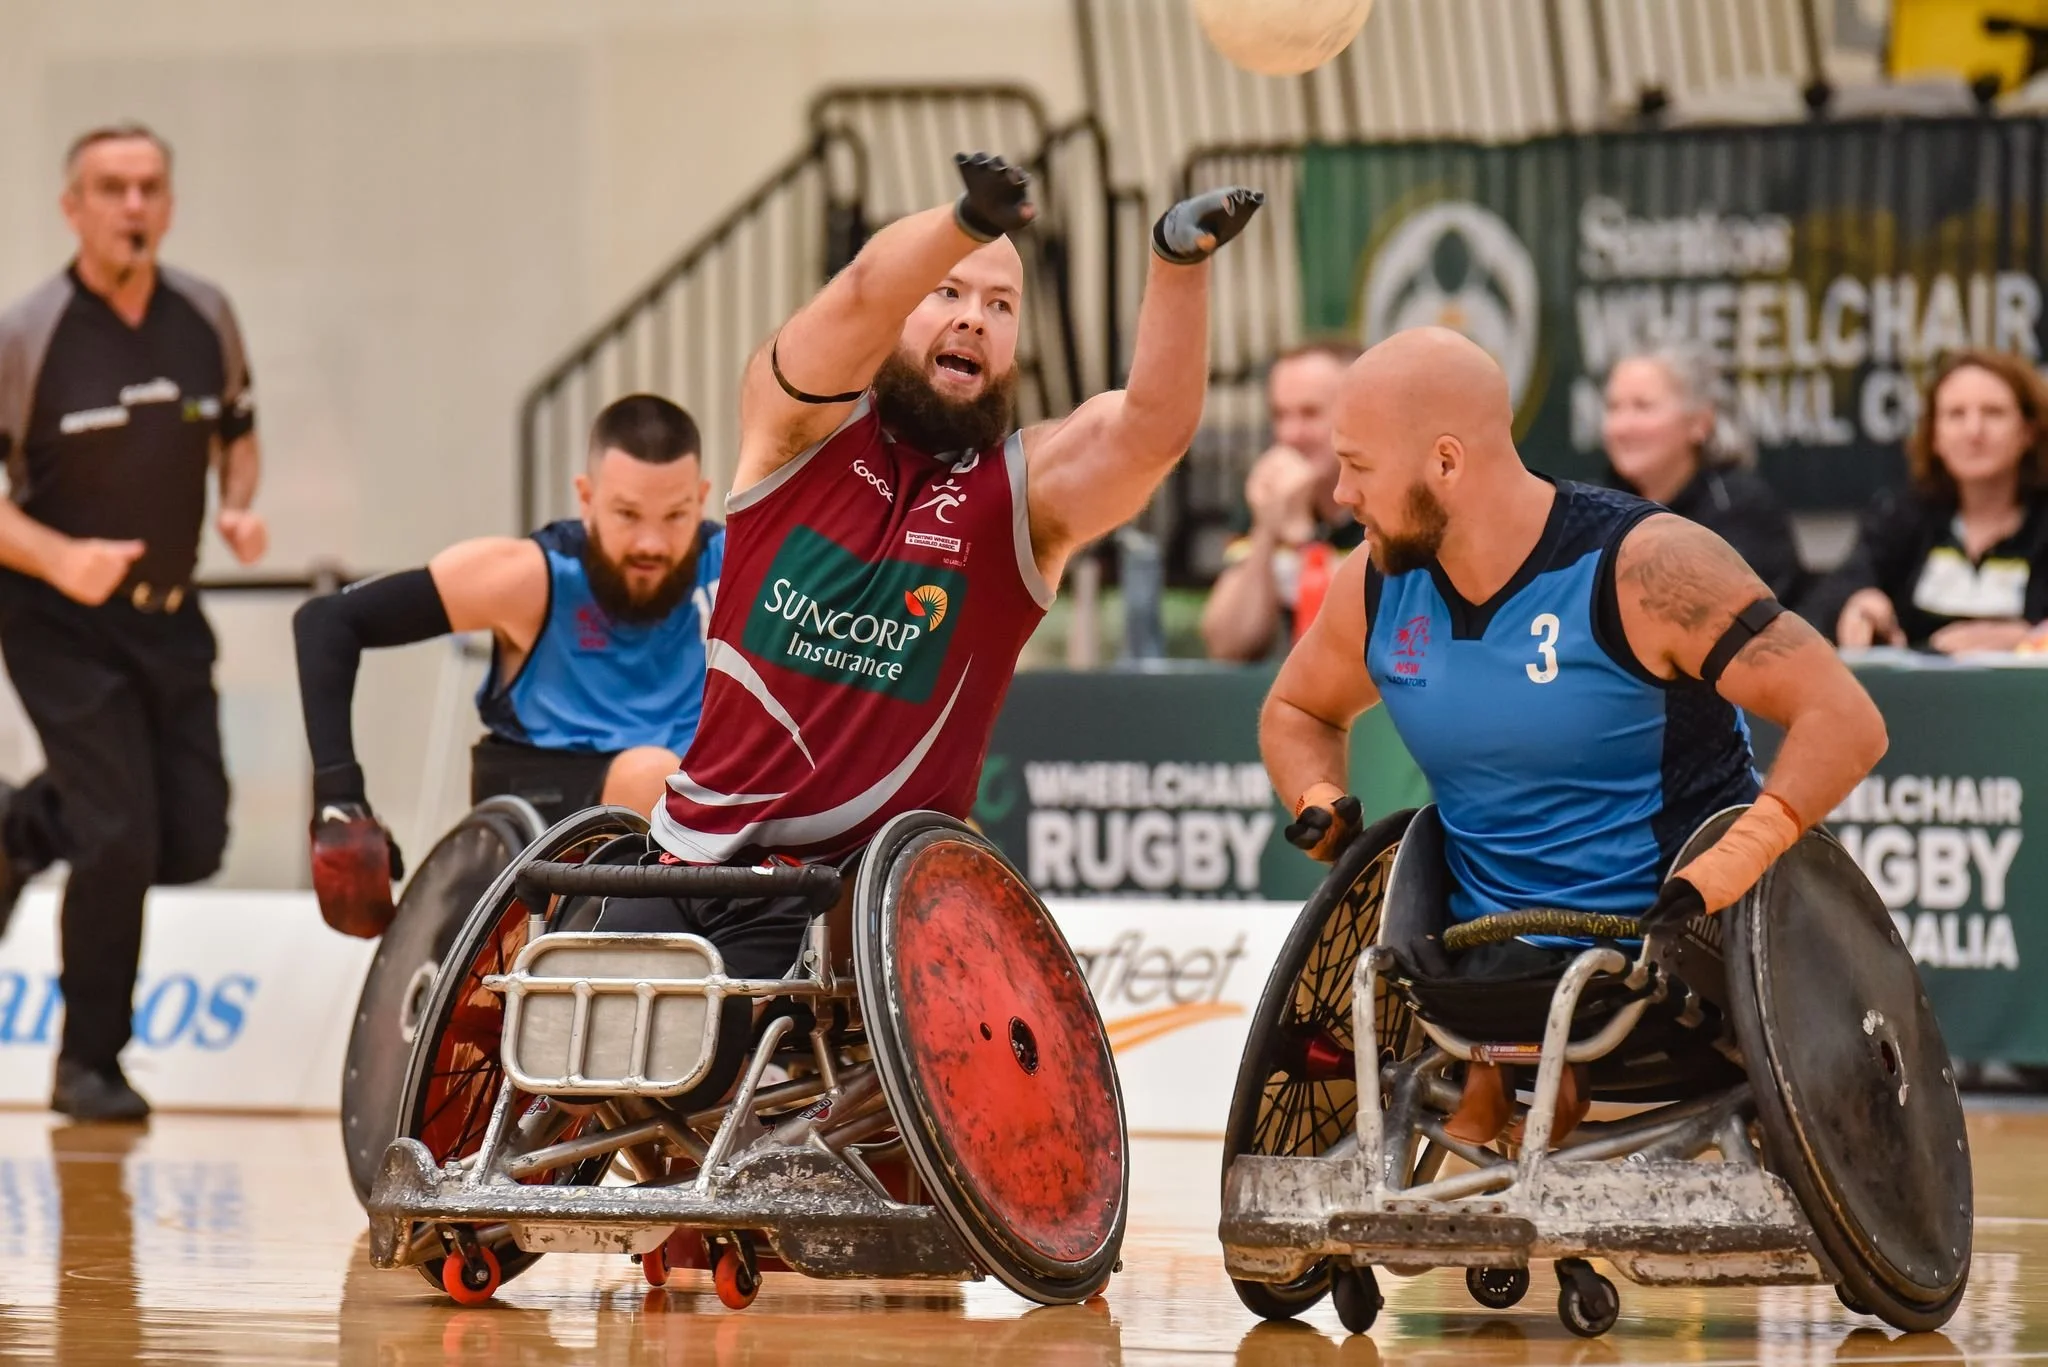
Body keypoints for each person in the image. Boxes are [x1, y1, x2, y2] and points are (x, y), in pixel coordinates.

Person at [600, 152, 1261, 1006]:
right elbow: (863, 290)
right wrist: (965, 223)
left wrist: (1179, 264)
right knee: (578, 1062)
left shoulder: (1024, 499)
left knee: (721, 1082)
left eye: (999, 304)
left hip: (844, 907)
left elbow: (1149, 431)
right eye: (947, 293)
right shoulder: (793, 426)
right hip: (684, 854)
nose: (974, 319)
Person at [1264, 327, 1887, 1146]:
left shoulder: (1645, 566)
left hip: (1670, 947)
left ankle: (1530, 1077)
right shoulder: (1377, 583)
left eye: (1361, 467)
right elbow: (1298, 710)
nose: (1340, 492)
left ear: (1446, 462)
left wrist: (1750, 844)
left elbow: (1846, 718)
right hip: (1477, 960)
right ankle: (1512, 1074)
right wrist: (1315, 795)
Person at [0, 123, 266, 1121]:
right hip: (55, 619)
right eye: (110, 188)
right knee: (116, 833)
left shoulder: (205, 315)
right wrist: (60, 556)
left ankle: (22, 824)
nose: (133, 206)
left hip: (169, 616)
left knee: (190, 837)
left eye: (149, 186)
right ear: (73, 208)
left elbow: (239, 433)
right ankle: (88, 1064)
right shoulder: (28, 333)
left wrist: (237, 503)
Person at [292, 394, 721, 938]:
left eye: (677, 515)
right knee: (652, 776)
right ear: (586, 500)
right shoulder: (532, 578)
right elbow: (327, 621)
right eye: (628, 514)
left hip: (694, 813)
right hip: (549, 802)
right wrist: (340, 800)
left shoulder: (734, 567)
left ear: (703, 499)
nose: (651, 543)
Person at [1811, 348, 2048, 653]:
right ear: (1935, 435)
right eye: (1956, 415)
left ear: (2028, 430)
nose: (1974, 431)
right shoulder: (1903, 515)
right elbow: (1835, 591)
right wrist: (1858, 603)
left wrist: (2032, 638)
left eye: (1993, 413)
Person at [1602, 347, 1804, 604]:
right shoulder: (1593, 508)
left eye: (1643, 407)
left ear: (1700, 423)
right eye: (1613, 407)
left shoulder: (1740, 508)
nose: (1622, 426)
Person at [1201, 342, 1361, 661]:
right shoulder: (1273, 495)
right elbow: (1229, 644)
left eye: (1310, 413)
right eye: (1280, 415)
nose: (1290, 434)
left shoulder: (1396, 503)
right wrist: (1266, 529)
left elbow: (1367, 636)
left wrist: (1305, 542)